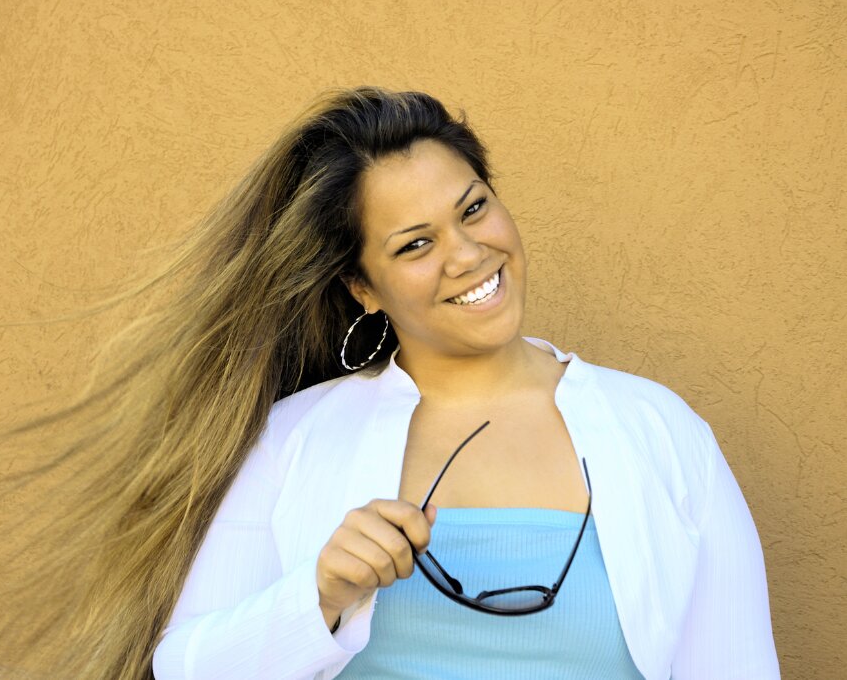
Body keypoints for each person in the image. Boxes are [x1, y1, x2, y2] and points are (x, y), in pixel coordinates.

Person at [142, 88, 780, 679]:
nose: (468, 254)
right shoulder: (291, 439)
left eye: (473, 208)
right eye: (416, 244)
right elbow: (184, 668)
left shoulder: (662, 433)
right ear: (362, 287)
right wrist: (318, 597)